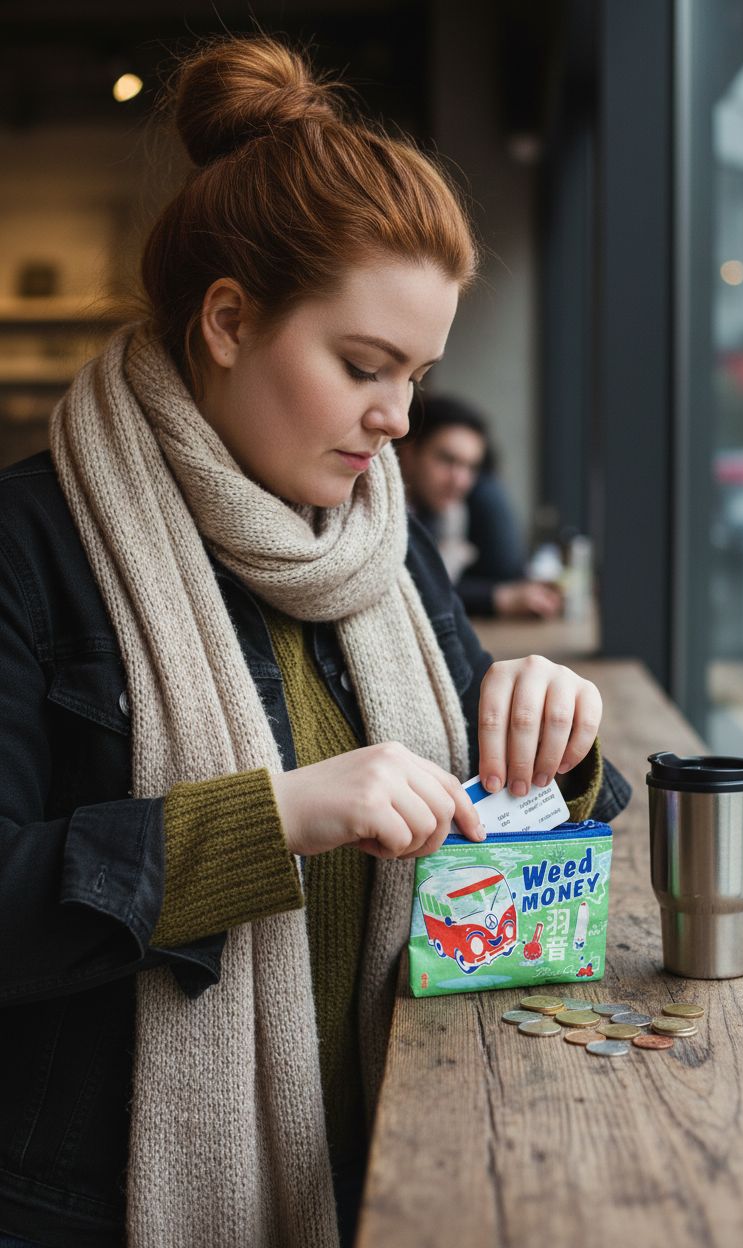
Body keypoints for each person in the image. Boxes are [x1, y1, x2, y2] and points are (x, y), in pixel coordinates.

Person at [0, 35, 632, 1248]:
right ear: (229, 320)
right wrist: (272, 817)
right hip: (96, 1203)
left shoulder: (382, 541)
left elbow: (482, 819)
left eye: (418, 375)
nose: (398, 419)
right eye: (363, 367)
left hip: (399, 1161)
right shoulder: (31, 546)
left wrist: (559, 749)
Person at [397, 394, 563, 617]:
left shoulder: (450, 516)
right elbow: (406, 592)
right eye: (447, 460)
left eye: (471, 467)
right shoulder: (385, 517)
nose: (460, 481)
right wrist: (496, 598)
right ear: (409, 454)